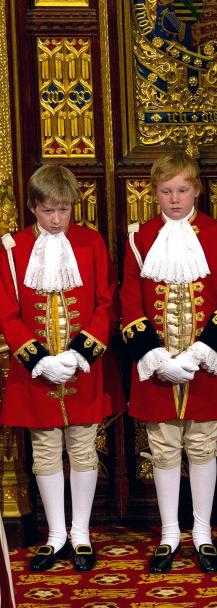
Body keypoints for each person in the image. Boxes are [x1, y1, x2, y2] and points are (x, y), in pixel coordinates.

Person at [121, 151, 217, 574]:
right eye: (166, 191)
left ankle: (203, 533)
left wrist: (201, 352)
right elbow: (129, 302)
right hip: (157, 367)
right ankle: (170, 533)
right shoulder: (139, 236)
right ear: (154, 193)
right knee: (163, 449)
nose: (175, 199)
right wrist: (155, 357)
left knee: (203, 446)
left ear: (197, 190)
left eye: (183, 190)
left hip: (205, 364)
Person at [0, 164, 119, 573]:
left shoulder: (90, 242)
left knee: (84, 447)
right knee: (46, 451)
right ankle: (55, 535)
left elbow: (106, 301)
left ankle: (81, 534)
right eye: (49, 210)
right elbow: (7, 312)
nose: (57, 219)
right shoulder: (12, 248)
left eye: (64, 210)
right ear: (34, 206)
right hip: (36, 373)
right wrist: (40, 360)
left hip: (81, 368)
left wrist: (80, 355)